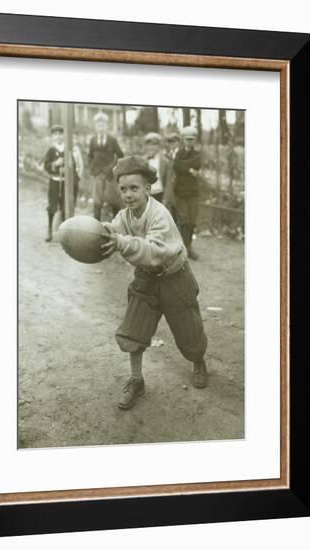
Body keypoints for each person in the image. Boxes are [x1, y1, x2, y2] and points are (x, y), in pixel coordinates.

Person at [101, 155, 208, 410]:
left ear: (148, 189)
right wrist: (97, 233)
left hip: (174, 276)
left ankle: (198, 361)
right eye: (123, 189)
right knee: (133, 328)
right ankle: (136, 379)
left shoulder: (160, 214)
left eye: (134, 188)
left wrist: (121, 243)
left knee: (188, 330)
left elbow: (154, 251)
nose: (128, 194)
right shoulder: (125, 215)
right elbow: (113, 229)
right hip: (147, 278)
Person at [43, 124, 79, 242]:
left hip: (65, 183)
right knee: (52, 206)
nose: (58, 137)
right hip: (54, 182)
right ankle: (49, 230)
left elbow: (72, 164)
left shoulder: (67, 149)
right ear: (52, 136)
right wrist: (55, 164)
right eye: (55, 134)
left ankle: (65, 232)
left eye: (60, 134)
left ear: (64, 135)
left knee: (65, 207)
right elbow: (46, 166)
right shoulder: (51, 150)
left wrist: (67, 167)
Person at [173, 126, 202, 260]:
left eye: (191, 139)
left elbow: (197, 163)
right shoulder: (178, 153)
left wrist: (184, 166)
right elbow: (176, 165)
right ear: (183, 140)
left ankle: (188, 246)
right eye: (186, 139)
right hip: (180, 191)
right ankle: (184, 248)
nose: (189, 142)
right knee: (183, 220)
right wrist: (190, 170)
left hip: (193, 192)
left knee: (192, 220)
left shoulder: (197, 154)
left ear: (195, 140)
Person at [88, 112, 124, 220]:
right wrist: (92, 168)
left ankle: (116, 225)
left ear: (106, 126)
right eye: (98, 125)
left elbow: (120, 155)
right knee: (97, 201)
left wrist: (112, 167)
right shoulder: (93, 140)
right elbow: (89, 156)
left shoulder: (112, 140)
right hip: (97, 174)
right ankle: (95, 225)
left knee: (113, 199)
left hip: (110, 175)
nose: (101, 127)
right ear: (95, 127)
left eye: (103, 125)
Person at [143, 132, 171, 204]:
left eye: (154, 144)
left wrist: (166, 198)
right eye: (149, 144)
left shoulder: (165, 161)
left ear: (159, 146)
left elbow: (168, 182)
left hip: (159, 193)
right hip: (146, 194)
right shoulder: (142, 160)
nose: (151, 147)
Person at [163, 132, 181, 221]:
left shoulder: (181, 155)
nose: (171, 144)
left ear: (178, 142)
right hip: (170, 186)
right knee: (171, 210)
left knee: (179, 211)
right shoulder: (167, 155)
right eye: (169, 142)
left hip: (180, 186)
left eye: (173, 142)